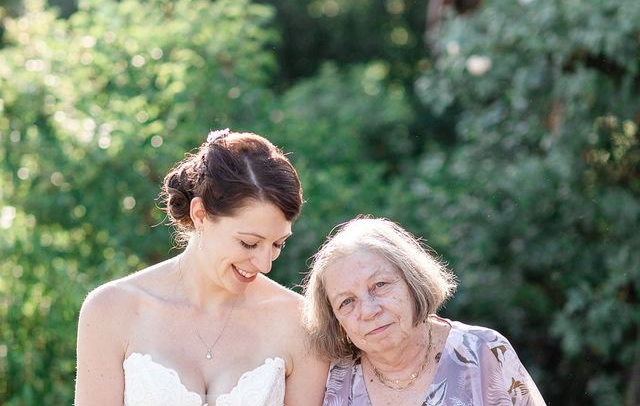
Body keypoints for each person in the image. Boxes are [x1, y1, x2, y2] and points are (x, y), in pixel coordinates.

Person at [74, 129, 328, 406]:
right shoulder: (111, 310)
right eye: (248, 243)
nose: (264, 264)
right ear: (200, 215)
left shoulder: (302, 324)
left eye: (278, 244)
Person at [303, 216, 546, 406]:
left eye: (380, 285)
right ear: (334, 319)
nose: (368, 311)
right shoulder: (330, 380)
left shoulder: (484, 352)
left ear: (412, 281)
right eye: (347, 302)